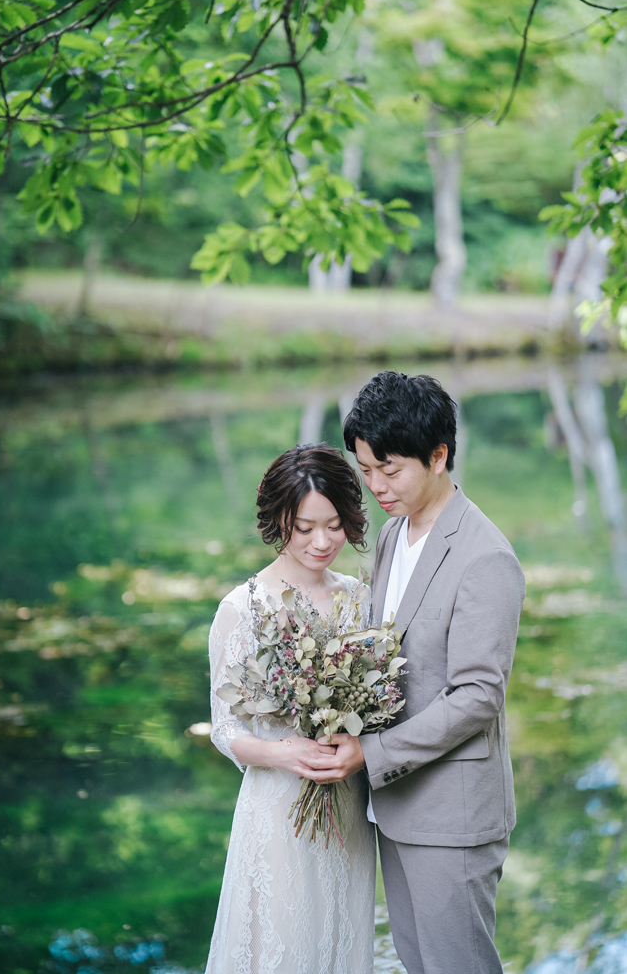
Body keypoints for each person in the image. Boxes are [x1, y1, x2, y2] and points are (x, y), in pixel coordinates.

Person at [307, 371, 526, 974]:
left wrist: (371, 753)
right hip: (394, 807)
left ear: (438, 456)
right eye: (365, 469)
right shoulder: (391, 533)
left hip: (453, 814)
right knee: (415, 962)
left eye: (390, 469)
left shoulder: (486, 557)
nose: (376, 486)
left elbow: (478, 696)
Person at [206, 444, 376, 974]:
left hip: (347, 808)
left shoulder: (359, 599)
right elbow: (224, 729)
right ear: (279, 520)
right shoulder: (243, 607)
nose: (322, 542)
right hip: (278, 810)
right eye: (304, 528)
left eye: (335, 525)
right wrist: (284, 752)